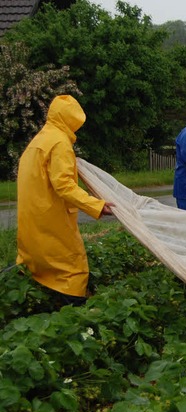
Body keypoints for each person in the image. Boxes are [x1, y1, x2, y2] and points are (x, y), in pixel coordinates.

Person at [16, 94, 114, 306]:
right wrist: (96, 205)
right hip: (53, 221)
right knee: (73, 268)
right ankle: (75, 314)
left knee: (44, 267)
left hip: (33, 223)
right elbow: (64, 185)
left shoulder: (39, 140)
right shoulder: (60, 143)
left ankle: (45, 306)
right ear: (70, 119)